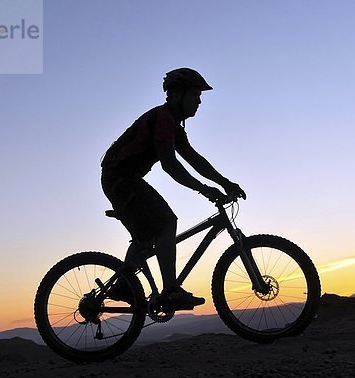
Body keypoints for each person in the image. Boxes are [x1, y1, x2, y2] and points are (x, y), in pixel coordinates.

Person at [101, 68, 246, 309]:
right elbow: (170, 164)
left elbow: (194, 158)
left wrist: (225, 183)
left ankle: (124, 284)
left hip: (122, 178)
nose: (199, 101)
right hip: (121, 178)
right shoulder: (164, 118)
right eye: (195, 95)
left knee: (146, 238)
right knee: (167, 222)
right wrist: (205, 189)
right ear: (178, 94)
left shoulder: (173, 124)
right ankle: (170, 291)